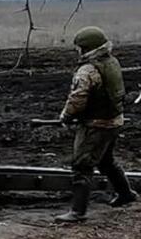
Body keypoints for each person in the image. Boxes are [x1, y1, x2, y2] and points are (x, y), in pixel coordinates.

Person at [55, 26, 136, 223]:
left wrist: (65, 116)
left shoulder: (87, 70)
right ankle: (126, 193)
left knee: (82, 165)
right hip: (115, 120)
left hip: (95, 125)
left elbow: (78, 98)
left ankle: (77, 211)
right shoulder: (112, 62)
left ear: (85, 48)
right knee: (106, 160)